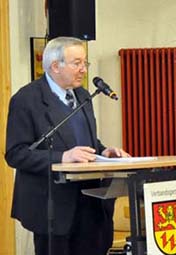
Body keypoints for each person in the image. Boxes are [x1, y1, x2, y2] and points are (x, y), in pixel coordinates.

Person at [5, 37, 130, 255]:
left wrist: (103, 151)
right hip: (53, 209)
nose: (83, 69)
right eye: (77, 63)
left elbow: (82, 141)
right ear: (55, 66)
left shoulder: (83, 95)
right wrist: (61, 157)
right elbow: (16, 154)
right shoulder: (27, 99)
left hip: (90, 204)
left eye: (85, 63)